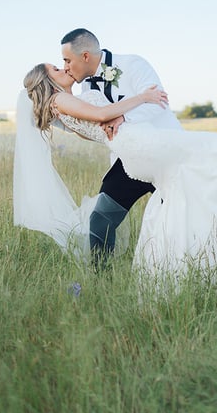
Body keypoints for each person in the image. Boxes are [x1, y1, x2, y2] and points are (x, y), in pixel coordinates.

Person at [14, 62, 217, 287]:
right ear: (48, 82)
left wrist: (109, 120)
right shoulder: (60, 101)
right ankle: (211, 248)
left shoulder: (69, 104)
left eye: (65, 62)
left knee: (195, 176)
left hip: (133, 145)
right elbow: (102, 115)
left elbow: (95, 126)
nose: (64, 67)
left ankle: (189, 255)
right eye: (57, 69)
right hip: (137, 145)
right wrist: (143, 97)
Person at [60, 28, 182, 266]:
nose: (65, 66)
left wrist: (124, 118)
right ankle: (100, 279)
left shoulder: (134, 64)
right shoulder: (86, 90)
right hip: (129, 162)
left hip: (164, 154)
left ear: (85, 56)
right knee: (100, 218)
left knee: (174, 218)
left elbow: (159, 102)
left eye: (67, 60)